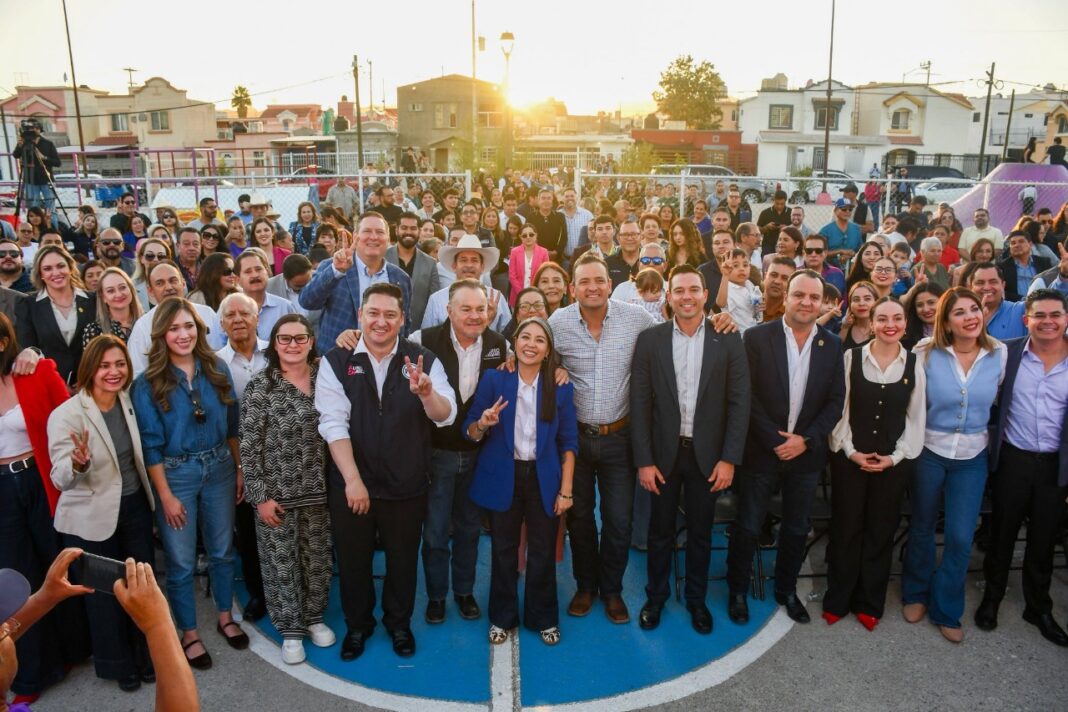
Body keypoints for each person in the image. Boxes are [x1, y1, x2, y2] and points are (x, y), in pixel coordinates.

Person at [315, 283, 456, 661]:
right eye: (373, 313)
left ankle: (399, 624)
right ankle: (358, 626)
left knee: (402, 558)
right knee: (353, 559)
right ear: (360, 316)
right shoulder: (335, 360)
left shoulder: (422, 359)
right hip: (352, 484)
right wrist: (353, 480)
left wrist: (426, 393)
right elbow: (332, 423)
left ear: (403, 319)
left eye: (390, 314)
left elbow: (446, 416)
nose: (381, 321)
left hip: (406, 482)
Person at [632, 265, 750, 634]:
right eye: (679, 290)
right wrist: (645, 461)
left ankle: (696, 600)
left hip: (709, 457)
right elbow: (639, 404)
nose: (686, 296)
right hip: (664, 455)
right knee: (659, 530)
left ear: (704, 294)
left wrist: (730, 458)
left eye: (693, 289)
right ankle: (656, 596)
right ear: (669, 297)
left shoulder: (727, 337)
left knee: (701, 531)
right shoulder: (650, 340)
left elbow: (739, 402)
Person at [725, 270, 846, 626]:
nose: (806, 302)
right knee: (748, 525)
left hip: (805, 456)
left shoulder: (832, 344)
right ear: (786, 297)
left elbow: (835, 402)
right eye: (799, 295)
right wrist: (777, 440)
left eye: (813, 297)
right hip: (762, 451)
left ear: (822, 301)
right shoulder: (757, 337)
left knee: (795, 528)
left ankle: (785, 589)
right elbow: (745, 397)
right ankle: (736, 590)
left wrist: (805, 440)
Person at [131, 298, 246, 668]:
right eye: (174, 328)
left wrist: (240, 468)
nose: (183, 335)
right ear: (162, 334)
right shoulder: (147, 383)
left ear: (199, 329)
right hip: (176, 474)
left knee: (223, 550)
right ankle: (190, 633)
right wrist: (164, 496)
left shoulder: (217, 368)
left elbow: (232, 426)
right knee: (180, 562)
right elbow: (150, 446)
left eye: (189, 326)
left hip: (220, 469)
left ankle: (226, 616)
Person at [548, 253, 658, 624]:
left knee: (618, 520)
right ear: (572, 288)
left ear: (610, 285)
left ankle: (612, 590)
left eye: (599, 280)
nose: (592, 287)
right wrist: (554, 367)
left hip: (619, 437)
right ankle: (585, 586)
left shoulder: (638, 319)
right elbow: (537, 357)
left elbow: (675, 336)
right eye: (584, 282)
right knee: (579, 518)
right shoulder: (557, 323)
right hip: (574, 441)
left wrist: (718, 319)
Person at [46, 335, 156, 690]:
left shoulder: (128, 400)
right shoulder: (66, 414)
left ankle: (145, 655)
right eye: (105, 365)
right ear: (90, 368)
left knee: (141, 587)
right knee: (106, 595)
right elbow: (59, 476)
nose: (114, 372)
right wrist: (77, 464)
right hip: (90, 517)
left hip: (134, 505)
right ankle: (118, 664)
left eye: (120, 364)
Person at [901, 287, 1007, 643]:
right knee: (922, 526)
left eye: (974, 309)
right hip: (929, 451)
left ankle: (946, 608)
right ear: (945, 320)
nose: (970, 317)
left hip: (972, 458)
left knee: (961, 536)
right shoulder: (925, 353)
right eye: (959, 312)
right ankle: (915, 592)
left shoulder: (999, 354)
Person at [463, 317, 577, 646]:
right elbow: (469, 429)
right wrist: (483, 424)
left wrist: (566, 490)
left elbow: (569, 442)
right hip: (504, 476)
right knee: (503, 550)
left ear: (548, 350)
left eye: (539, 340)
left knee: (542, 550)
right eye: (525, 337)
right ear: (514, 342)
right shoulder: (495, 379)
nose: (531, 344)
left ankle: (543, 617)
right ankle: (502, 616)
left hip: (543, 478)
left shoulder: (561, 385)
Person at [405, 281, 509, 625]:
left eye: (480, 309)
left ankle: (463, 592)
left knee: (468, 529)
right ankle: (437, 596)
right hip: (436, 453)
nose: (474, 315)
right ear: (449, 311)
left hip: (479, 455)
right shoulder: (422, 340)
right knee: (434, 532)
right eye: (465, 309)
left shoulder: (499, 345)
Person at [0, 314, 90, 705]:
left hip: (41, 480)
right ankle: (31, 671)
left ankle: (74, 651)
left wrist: (35, 353)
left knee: (57, 564)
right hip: (2, 489)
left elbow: (73, 420)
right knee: (19, 577)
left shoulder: (34, 371)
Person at [824, 297, 926, 631]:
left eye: (897, 318)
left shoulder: (914, 364)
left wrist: (894, 457)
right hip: (850, 458)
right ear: (872, 324)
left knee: (881, 530)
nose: (890, 325)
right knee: (846, 527)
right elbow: (840, 410)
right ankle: (838, 598)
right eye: (882, 319)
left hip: (892, 463)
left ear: (904, 324)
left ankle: (869, 602)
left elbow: (916, 419)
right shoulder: (851, 357)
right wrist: (850, 450)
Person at [975, 289, 1068, 646]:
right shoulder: (1006, 353)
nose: (1047, 322)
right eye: (1039, 315)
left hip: (1054, 465)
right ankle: (992, 597)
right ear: (1026, 319)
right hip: (1013, 458)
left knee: (1044, 538)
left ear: (1064, 318)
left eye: (1055, 314)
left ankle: (1038, 606)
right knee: (1001, 534)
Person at [240, 314, 335, 664]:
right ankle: (291, 630)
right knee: (281, 563)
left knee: (318, 560)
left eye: (300, 338)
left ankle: (313, 618)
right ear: (274, 343)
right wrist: (260, 497)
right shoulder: (260, 387)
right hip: (276, 496)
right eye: (285, 339)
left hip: (321, 493)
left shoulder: (326, 376)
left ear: (311, 341)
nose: (293, 345)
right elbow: (248, 448)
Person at [300, 213, 413, 350]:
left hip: (385, 361)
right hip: (338, 359)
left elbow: (404, 325)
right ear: (355, 236)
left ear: (388, 239)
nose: (373, 237)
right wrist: (336, 271)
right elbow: (307, 301)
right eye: (367, 231)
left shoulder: (401, 278)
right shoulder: (334, 267)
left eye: (379, 232)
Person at [15, 246, 96, 388]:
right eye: (47, 269)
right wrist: (58, 384)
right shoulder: (27, 304)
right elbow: (28, 347)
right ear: (40, 274)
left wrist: (88, 379)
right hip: (49, 386)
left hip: (91, 383)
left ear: (71, 268)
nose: (56, 273)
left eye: (61, 266)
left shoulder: (93, 300)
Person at [127, 261, 225, 375]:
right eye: (160, 283)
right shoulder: (143, 326)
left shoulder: (207, 314)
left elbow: (220, 352)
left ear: (183, 284)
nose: (168, 287)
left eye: (173, 280)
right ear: (150, 291)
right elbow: (137, 371)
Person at [422, 234, 510, 333]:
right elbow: (426, 339)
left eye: (474, 260)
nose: (469, 265)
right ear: (454, 266)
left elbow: (507, 338)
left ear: (482, 267)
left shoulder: (496, 298)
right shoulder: (437, 300)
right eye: (463, 260)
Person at [386, 213, 440, 330]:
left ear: (419, 231)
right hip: (386, 328)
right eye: (404, 228)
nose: (408, 232)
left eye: (413, 228)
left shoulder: (430, 264)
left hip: (418, 330)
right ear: (396, 230)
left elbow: (434, 302)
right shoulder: (382, 258)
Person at [81, 268, 143, 348]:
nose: (118, 294)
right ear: (103, 297)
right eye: (110, 291)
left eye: (122, 287)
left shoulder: (148, 322)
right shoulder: (94, 331)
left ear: (131, 289)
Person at [967, 263, 1028, 341]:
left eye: (993, 282)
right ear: (970, 287)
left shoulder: (1021, 310)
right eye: (980, 283)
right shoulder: (961, 316)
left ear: (1003, 285)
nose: (986, 287)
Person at [14, 119, 61, 211]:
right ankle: (34, 225)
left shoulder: (48, 144)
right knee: (33, 207)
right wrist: (20, 145)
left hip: (45, 179)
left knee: (50, 208)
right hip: (30, 180)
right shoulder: (23, 143)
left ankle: (53, 224)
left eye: (36, 128)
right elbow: (16, 155)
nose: (34, 130)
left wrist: (44, 157)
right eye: (31, 128)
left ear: (40, 130)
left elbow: (57, 162)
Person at [716, 248, 763, 332]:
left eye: (745, 265)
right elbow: (720, 303)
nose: (741, 269)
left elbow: (755, 310)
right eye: (735, 266)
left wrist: (761, 306)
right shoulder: (726, 287)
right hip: (737, 335)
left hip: (754, 330)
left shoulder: (749, 284)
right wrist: (725, 275)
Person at [509, 224, 550, 306]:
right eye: (524, 235)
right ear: (520, 237)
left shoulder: (544, 252)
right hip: (518, 296)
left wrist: (535, 292)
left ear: (536, 235)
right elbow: (512, 276)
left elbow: (546, 275)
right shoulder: (514, 252)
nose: (528, 237)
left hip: (538, 296)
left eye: (531, 234)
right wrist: (521, 293)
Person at [131, 238, 173, 312]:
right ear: (141, 259)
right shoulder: (132, 287)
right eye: (150, 255)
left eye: (161, 256)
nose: (156, 260)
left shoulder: (179, 285)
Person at [527, 189, 568, 262]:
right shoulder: (531, 217)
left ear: (552, 201)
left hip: (556, 257)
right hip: (536, 257)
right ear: (538, 200)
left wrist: (556, 252)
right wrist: (541, 253)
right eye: (543, 198)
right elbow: (528, 237)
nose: (546, 201)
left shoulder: (560, 217)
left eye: (549, 198)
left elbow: (564, 237)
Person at [821, 198, 864, 267]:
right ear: (835, 211)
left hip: (852, 267)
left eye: (850, 209)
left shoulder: (856, 229)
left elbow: (861, 249)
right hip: (830, 268)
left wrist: (852, 255)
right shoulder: (826, 230)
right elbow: (820, 252)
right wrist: (840, 251)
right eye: (844, 209)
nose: (847, 212)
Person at [902, 282, 945, 350]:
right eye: (920, 305)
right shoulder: (906, 338)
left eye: (931, 303)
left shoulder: (956, 332)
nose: (926, 309)